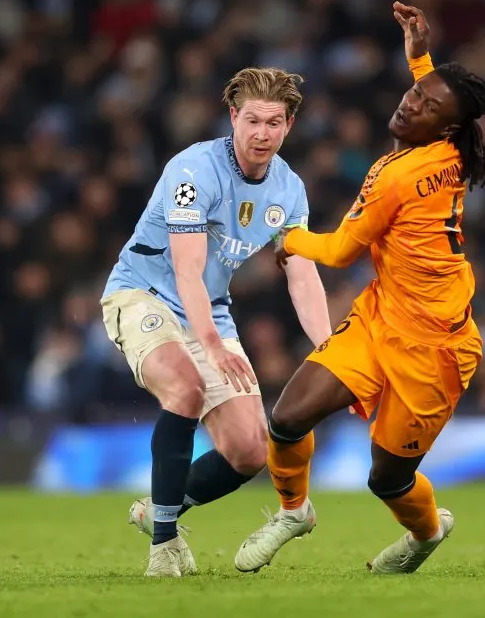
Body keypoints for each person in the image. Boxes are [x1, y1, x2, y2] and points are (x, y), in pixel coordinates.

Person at [234, 2, 485, 575]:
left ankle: (426, 535)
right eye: (415, 93)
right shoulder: (451, 146)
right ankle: (293, 511)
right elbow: (440, 99)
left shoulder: (397, 175)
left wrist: (290, 238)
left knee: (388, 479)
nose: (411, 101)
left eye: (425, 105)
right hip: (381, 319)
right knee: (288, 418)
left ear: (443, 127)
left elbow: (341, 251)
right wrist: (419, 57)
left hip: (435, 349)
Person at [101, 67, 332, 577]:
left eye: (274, 122)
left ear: (289, 125)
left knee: (250, 451)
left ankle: (161, 509)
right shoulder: (193, 170)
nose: (262, 133)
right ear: (233, 117)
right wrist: (211, 343)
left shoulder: (290, 191)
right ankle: (164, 545)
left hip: (211, 310)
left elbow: (303, 279)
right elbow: (186, 268)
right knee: (183, 386)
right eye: (252, 120)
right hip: (144, 295)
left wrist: (332, 353)